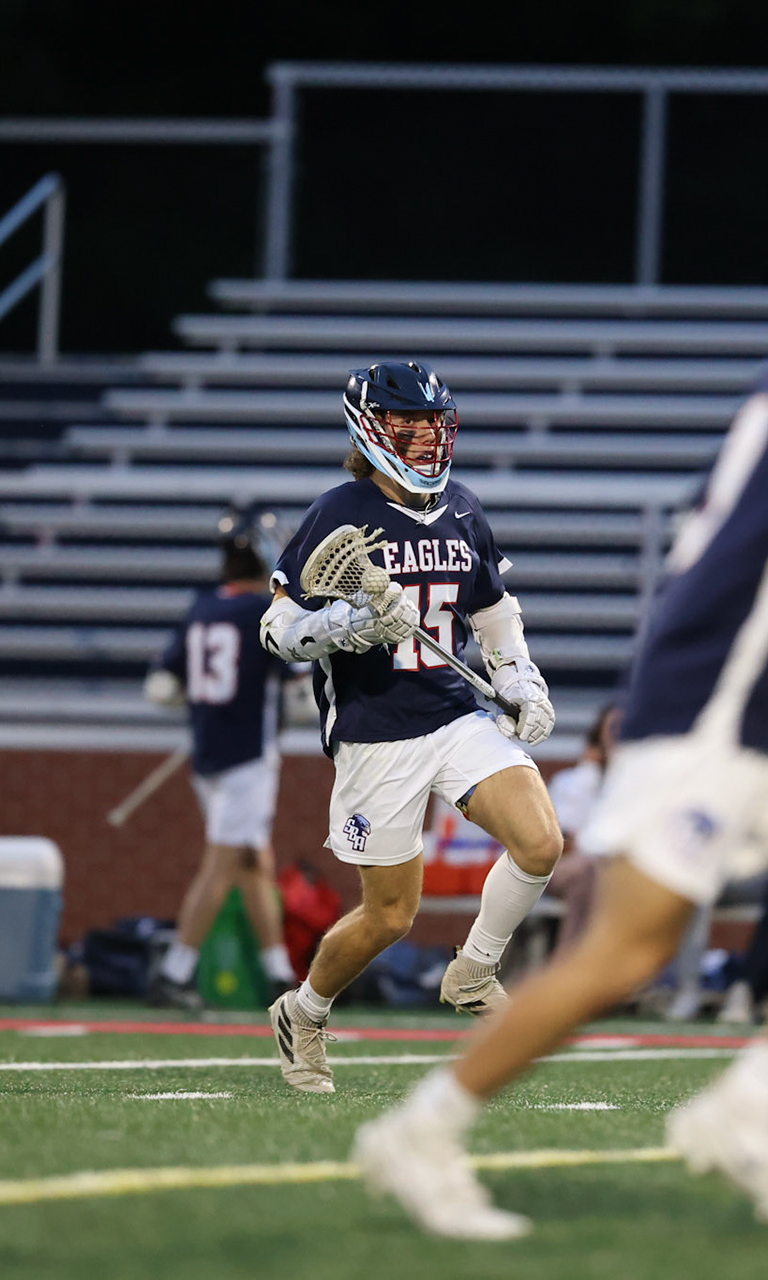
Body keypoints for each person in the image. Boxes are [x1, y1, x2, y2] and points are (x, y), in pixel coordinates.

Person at [354, 147, 768, 1242]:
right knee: (623, 955)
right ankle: (419, 1131)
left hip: (765, 716)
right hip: (717, 717)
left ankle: (742, 1109)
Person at [258, 359, 563, 1093]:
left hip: (454, 711)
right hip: (376, 729)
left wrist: (518, 675)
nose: (426, 438)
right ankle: (304, 1011)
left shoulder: (461, 508)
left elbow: (491, 607)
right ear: (371, 430)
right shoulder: (337, 510)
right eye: (409, 425)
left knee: (541, 840)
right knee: (390, 916)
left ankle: (473, 970)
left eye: (433, 424)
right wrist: (347, 623)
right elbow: (276, 628)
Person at [142, 505, 303, 1008]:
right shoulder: (260, 612)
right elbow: (298, 678)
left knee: (254, 861)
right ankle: (174, 972)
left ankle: (280, 975)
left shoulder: (203, 607)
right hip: (248, 758)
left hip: (209, 752)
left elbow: (165, 684)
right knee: (224, 863)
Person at [543, 702, 618, 957]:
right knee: (590, 870)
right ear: (599, 738)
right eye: (613, 729)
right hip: (564, 868)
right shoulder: (574, 781)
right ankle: (569, 967)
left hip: (612, 870)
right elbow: (565, 844)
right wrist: (590, 777)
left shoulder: (642, 784)